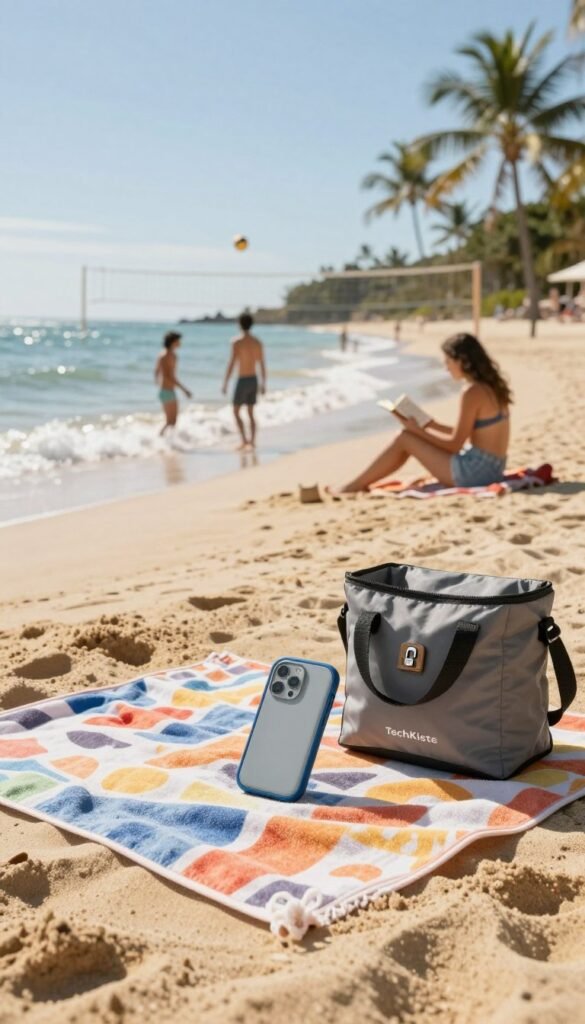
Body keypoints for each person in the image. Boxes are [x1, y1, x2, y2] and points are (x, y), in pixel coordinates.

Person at [331, 333, 511, 492]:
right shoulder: (491, 388)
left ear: (462, 361)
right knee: (407, 437)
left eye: (448, 361)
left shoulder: (472, 392)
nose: (446, 367)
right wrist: (432, 425)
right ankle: (359, 484)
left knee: (404, 438)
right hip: (493, 469)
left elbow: (454, 445)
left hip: (475, 474)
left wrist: (417, 431)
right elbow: (472, 433)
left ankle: (353, 486)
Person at [222, 312, 266, 450]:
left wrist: (225, 382)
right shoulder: (257, 342)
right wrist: (264, 383)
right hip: (253, 379)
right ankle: (252, 442)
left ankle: (244, 441)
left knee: (236, 411)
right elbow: (262, 364)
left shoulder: (236, 342)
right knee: (251, 412)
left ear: (239, 324)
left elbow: (232, 363)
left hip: (242, 380)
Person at [155, 331, 192, 435]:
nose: (180, 343)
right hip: (166, 392)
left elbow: (157, 371)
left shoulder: (170, 355)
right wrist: (184, 390)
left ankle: (169, 441)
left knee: (173, 421)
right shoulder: (166, 355)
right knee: (170, 422)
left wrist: (157, 381)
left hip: (168, 391)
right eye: (178, 341)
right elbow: (168, 376)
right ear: (173, 342)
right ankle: (160, 438)